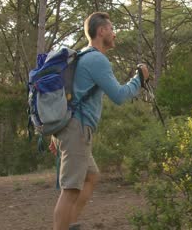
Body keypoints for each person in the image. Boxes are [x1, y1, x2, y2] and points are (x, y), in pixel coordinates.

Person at [49, 12, 149, 230]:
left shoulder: (82, 56)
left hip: (69, 128)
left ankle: (70, 224)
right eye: (111, 29)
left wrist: (57, 133)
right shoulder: (97, 59)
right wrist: (139, 79)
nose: (114, 34)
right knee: (70, 190)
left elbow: (69, 94)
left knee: (91, 176)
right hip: (76, 130)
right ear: (101, 31)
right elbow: (120, 96)